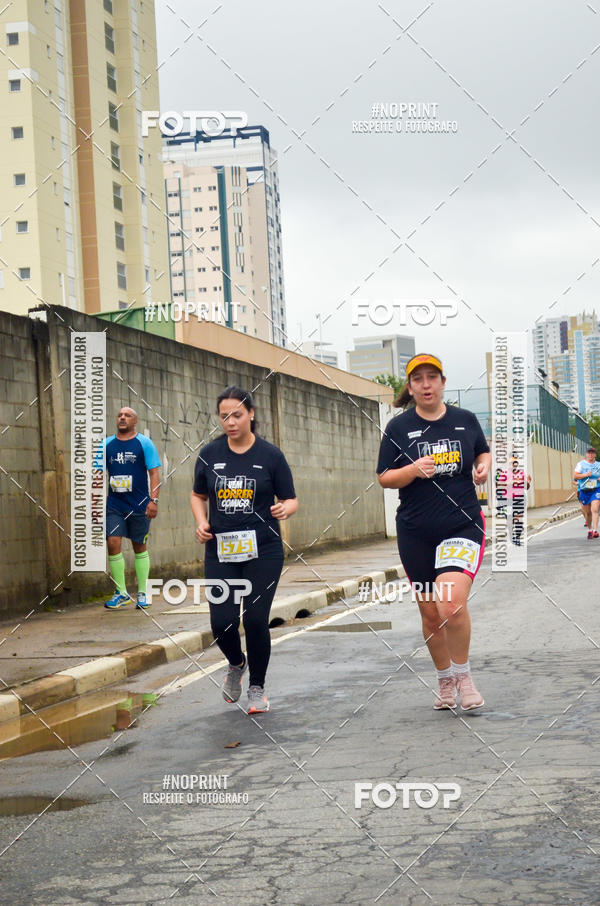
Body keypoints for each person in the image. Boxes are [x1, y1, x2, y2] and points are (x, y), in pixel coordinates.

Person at [377, 353, 491, 711]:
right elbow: (384, 477)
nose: (426, 385)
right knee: (430, 614)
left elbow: (483, 454)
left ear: (443, 382)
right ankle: (444, 680)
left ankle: (464, 676)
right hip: (416, 533)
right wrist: (411, 469)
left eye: (432, 377)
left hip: (461, 525)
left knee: (451, 605)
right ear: (409, 388)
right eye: (418, 379)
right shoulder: (398, 428)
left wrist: (482, 468)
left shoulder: (465, 420)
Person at [190, 387, 298, 714]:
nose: (231, 422)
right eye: (224, 416)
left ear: (251, 413)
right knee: (221, 622)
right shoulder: (210, 454)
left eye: (237, 414)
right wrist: (200, 522)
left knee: (254, 619)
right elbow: (198, 495)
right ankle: (237, 663)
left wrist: (286, 509)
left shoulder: (270, 456)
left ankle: (257, 687)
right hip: (221, 551)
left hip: (263, 551)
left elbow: (291, 498)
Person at [97, 407, 161, 609]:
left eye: (128, 415)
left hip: (139, 505)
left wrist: (154, 500)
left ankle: (143, 592)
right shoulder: (106, 444)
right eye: (120, 415)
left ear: (135, 422)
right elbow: (98, 475)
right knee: (113, 542)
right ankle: (121, 593)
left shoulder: (144, 443)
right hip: (114, 505)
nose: (122, 418)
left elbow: (154, 474)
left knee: (138, 545)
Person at [497, 456, 531, 546]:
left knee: (518, 518)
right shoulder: (504, 474)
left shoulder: (521, 474)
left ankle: (518, 537)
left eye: (515, 463)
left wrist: (527, 482)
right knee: (509, 519)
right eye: (512, 463)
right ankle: (512, 537)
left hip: (519, 498)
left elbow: (526, 488)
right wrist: (510, 482)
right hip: (507, 499)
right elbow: (499, 486)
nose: (514, 465)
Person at [573, 447, 600, 539]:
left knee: (595, 509)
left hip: (596, 490)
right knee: (588, 513)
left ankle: (595, 530)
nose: (591, 455)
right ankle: (590, 529)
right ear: (586, 454)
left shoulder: (598, 465)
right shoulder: (581, 464)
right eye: (589, 453)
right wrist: (585, 475)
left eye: (592, 453)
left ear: (595, 455)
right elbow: (576, 475)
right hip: (584, 490)